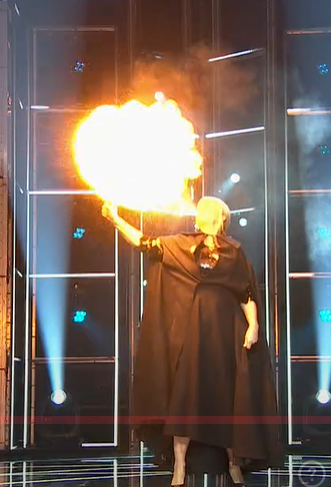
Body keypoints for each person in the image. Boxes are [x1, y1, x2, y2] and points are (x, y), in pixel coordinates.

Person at [102, 197, 284, 486]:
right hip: (192, 331)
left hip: (225, 332)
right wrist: (115, 219)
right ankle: (180, 464)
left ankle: (233, 463)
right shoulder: (182, 244)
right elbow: (145, 242)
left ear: (220, 217)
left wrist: (254, 325)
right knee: (185, 395)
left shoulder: (233, 252)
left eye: (208, 208)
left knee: (227, 396)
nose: (201, 210)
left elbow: (245, 292)